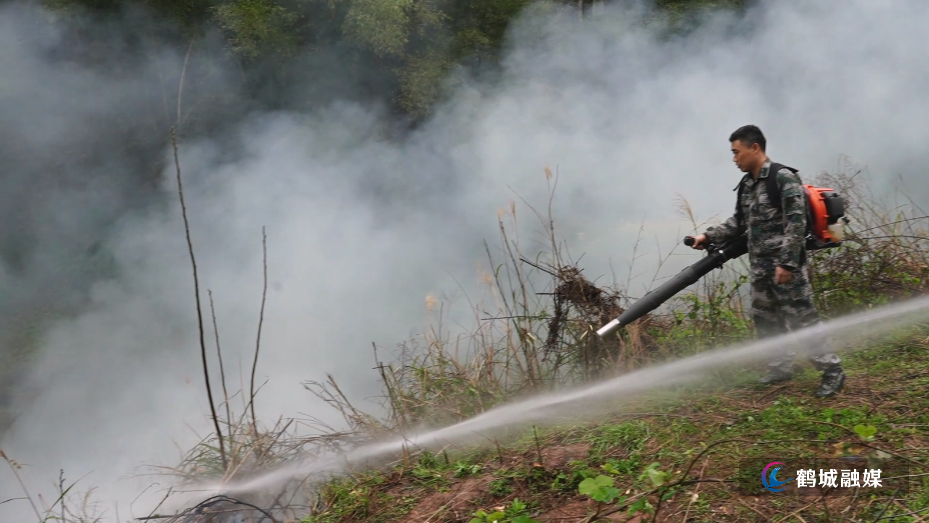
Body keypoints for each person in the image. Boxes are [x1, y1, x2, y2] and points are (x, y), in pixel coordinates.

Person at [689, 125, 846, 398]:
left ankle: (832, 371)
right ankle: (780, 367)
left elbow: (797, 224)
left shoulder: (783, 178)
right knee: (766, 320)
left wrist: (786, 264)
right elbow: (739, 222)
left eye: (736, 152)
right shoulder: (747, 185)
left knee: (802, 319)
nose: (734, 158)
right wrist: (707, 236)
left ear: (755, 148)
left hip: (786, 268)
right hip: (760, 267)